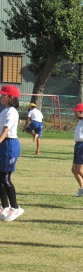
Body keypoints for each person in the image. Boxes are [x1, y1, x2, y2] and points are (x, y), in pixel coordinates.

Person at [0, 85, 24, 222]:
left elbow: (5, 130)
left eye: (4, 95)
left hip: (9, 144)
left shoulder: (12, 112)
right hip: (4, 144)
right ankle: (5, 207)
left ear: (11, 97)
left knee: (5, 177)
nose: (1, 97)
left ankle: (15, 208)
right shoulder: (5, 110)